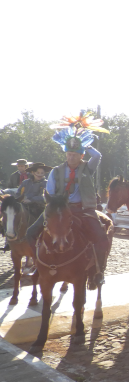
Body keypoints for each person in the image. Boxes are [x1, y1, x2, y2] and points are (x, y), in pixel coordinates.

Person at [26, 117, 109, 286]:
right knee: (30, 233)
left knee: (101, 237)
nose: (71, 158)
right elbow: (48, 192)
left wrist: (82, 140)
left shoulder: (88, 167)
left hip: (82, 209)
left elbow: (98, 155)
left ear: (81, 155)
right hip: (59, 210)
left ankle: (98, 271)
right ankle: (37, 264)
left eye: (75, 154)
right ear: (65, 154)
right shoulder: (56, 171)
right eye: (69, 154)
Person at [10, 163, 51, 273]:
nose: (40, 175)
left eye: (42, 173)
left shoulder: (46, 183)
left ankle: (42, 244)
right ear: (32, 173)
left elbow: (44, 197)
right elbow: (18, 193)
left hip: (38, 208)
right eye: (38, 173)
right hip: (23, 206)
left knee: (42, 223)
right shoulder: (25, 182)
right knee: (11, 218)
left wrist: (31, 199)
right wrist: (20, 199)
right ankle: (9, 240)